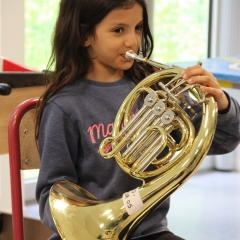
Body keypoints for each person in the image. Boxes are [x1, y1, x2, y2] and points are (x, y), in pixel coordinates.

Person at [35, 0, 240, 239]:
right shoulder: (64, 106)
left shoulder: (159, 89)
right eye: (118, 30)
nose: (133, 41)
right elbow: (52, 192)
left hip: (148, 232)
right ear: (84, 36)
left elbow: (225, 143)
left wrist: (221, 104)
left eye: (138, 28)